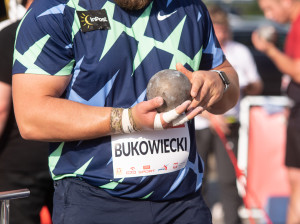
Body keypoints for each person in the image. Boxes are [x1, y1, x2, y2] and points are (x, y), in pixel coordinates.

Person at [12, 0, 240, 223]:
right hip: (95, 199)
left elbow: (228, 84)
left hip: (184, 203)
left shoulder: (189, 7)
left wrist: (219, 81)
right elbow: (32, 117)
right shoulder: (56, 9)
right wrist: (128, 120)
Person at [196, 5, 263, 224]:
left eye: (224, 29)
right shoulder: (198, 51)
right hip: (201, 125)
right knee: (199, 180)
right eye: (216, 30)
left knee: (227, 180)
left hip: (230, 123)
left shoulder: (239, 52)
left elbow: (255, 84)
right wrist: (212, 116)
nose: (221, 35)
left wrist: (244, 87)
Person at [0, 0, 54, 223]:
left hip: (19, 164)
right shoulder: (73, 32)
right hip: (65, 154)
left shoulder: (12, 34)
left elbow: (1, 107)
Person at [252, 0, 300, 223]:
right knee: (294, 179)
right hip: (296, 109)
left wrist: (268, 49)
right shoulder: (293, 25)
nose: (269, 16)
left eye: (270, 8)